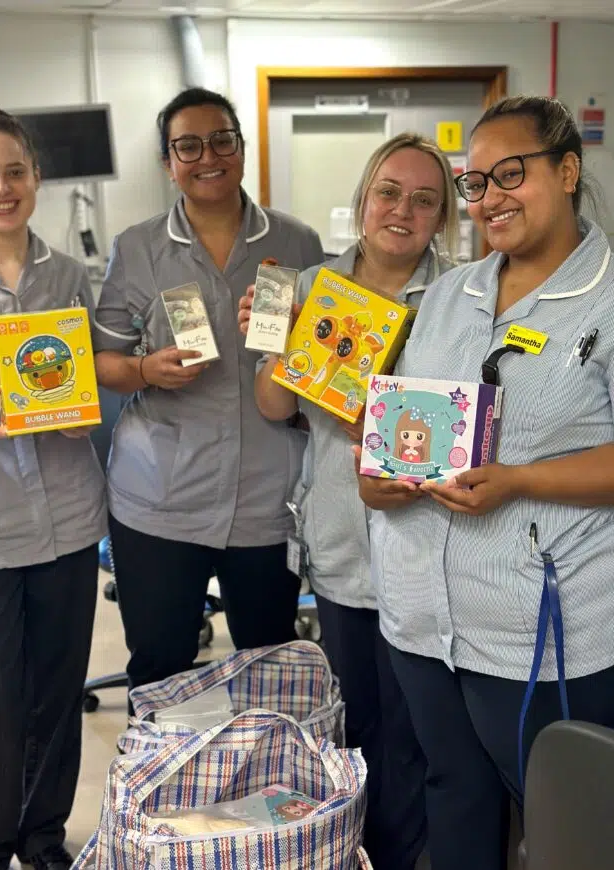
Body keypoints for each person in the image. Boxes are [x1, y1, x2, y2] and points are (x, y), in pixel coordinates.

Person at [357, 95, 614, 870]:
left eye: (512, 173)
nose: (491, 197)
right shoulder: (444, 295)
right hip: (422, 623)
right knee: (454, 796)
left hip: (541, 632)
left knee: (565, 822)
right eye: (476, 183)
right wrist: (377, 476)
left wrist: (520, 481)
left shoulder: (605, 298)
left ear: (567, 172)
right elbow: (394, 428)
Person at [238, 132, 460, 869]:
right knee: (360, 720)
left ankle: (404, 854)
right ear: (363, 200)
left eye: (425, 199)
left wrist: (365, 407)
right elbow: (272, 406)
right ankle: (355, 849)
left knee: (419, 729)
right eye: (389, 192)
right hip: (341, 535)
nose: (403, 210)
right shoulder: (303, 285)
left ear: (443, 216)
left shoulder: (464, 296)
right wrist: (285, 347)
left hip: (434, 545)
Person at [93, 87, 324, 692]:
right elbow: (103, 361)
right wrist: (147, 371)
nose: (208, 156)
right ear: (168, 162)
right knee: (160, 673)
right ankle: (166, 787)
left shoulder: (296, 242)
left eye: (222, 139)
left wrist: (300, 340)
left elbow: (326, 357)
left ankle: (265, 788)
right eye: (187, 145)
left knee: (270, 677)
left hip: (269, 502)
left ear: (242, 149)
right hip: (160, 498)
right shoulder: (138, 247)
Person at [0, 108, 106, 870]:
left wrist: (79, 417)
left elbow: (81, 377)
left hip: (66, 516)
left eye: (14, 172)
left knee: (55, 692)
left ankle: (42, 838)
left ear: (36, 178)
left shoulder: (68, 273)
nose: (1, 188)